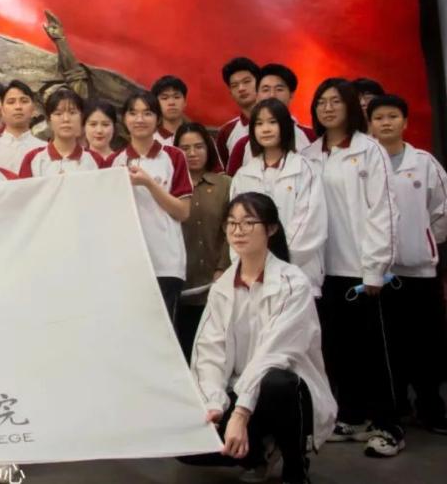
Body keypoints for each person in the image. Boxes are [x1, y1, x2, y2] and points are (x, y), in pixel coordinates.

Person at [186, 192, 336, 484]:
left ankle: (295, 465)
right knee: (190, 444)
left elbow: (275, 353)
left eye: (248, 222)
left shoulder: (293, 283)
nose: (238, 230)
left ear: (271, 228)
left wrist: (240, 414)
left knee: (277, 383)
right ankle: (257, 456)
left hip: (284, 392)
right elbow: (209, 351)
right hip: (240, 387)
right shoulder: (222, 287)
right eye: (232, 223)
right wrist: (215, 404)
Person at [300, 78, 403, 457]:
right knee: (337, 349)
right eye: (321, 102)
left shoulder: (368, 150)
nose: (327, 108)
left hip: (360, 269)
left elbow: (383, 211)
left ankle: (389, 426)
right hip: (321, 270)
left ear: (349, 106)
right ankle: (354, 416)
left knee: (373, 351)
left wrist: (375, 268)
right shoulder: (309, 154)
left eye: (335, 101)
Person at [368, 94, 447, 434]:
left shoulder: (425, 162)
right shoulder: (366, 163)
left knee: (426, 344)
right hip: (381, 272)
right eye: (379, 118)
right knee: (390, 344)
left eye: (392, 116)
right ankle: (396, 406)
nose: (386, 123)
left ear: (405, 122)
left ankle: (430, 407)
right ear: (370, 125)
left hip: (420, 270)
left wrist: (422, 240)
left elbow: (441, 210)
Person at [104, 91, 192, 322]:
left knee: (165, 332)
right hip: (127, 263)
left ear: (158, 119)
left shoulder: (174, 156)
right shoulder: (114, 162)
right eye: (133, 113)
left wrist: (149, 184)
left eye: (147, 113)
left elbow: (183, 211)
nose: (140, 119)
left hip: (166, 262)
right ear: (124, 119)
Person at [229, 98, 327, 297]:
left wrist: (276, 263)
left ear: (285, 126)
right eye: (259, 123)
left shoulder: (305, 169)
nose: (266, 129)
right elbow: (236, 226)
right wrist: (250, 264)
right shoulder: (244, 174)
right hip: (253, 278)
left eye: (272, 122)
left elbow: (309, 223)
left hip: (298, 274)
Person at [173, 122, 231, 360]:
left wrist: (222, 267)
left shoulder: (225, 185)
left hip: (215, 283)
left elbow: (232, 231)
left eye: (198, 147)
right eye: (185, 148)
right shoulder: (169, 185)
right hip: (180, 283)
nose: (192, 153)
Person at [225, 63, 317, 175]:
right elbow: (232, 182)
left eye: (279, 89)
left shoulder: (311, 137)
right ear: (257, 94)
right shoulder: (242, 145)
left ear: (291, 94)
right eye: (265, 89)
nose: (272, 95)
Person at [19, 88, 105, 176]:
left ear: (81, 118)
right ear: (49, 121)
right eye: (58, 113)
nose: (66, 119)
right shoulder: (33, 160)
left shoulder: (95, 160)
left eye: (72, 112)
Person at [216, 57, 261, 166]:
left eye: (246, 82)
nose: (241, 88)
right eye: (234, 85)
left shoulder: (284, 123)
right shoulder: (226, 132)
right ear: (230, 93)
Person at [0, 80, 44, 175]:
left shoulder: (44, 149)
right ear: (2, 110)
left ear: (33, 109)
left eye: (24, 101)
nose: (18, 107)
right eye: (11, 102)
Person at [151, 75, 188, 144]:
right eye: (164, 98)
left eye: (176, 97)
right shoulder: (148, 140)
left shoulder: (198, 137)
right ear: (156, 103)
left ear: (185, 102)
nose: (171, 102)